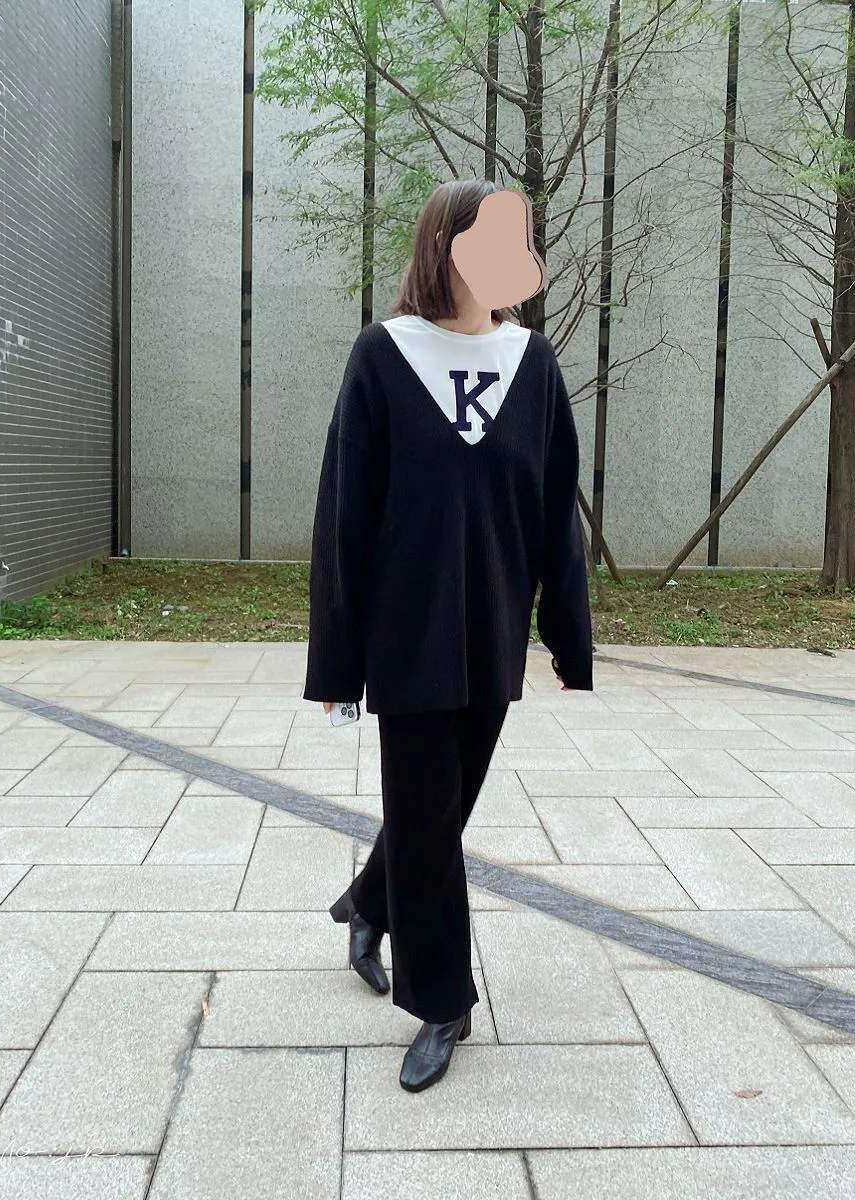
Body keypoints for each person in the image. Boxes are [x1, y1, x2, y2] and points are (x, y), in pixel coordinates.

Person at [303, 178, 594, 1093]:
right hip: (405, 635)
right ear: (447, 248)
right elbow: (345, 513)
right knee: (429, 816)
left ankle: (369, 901)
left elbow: (554, 508)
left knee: (440, 807)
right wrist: (336, 660)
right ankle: (442, 1001)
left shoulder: (532, 362)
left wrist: (567, 636)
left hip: (493, 630)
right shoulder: (383, 355)